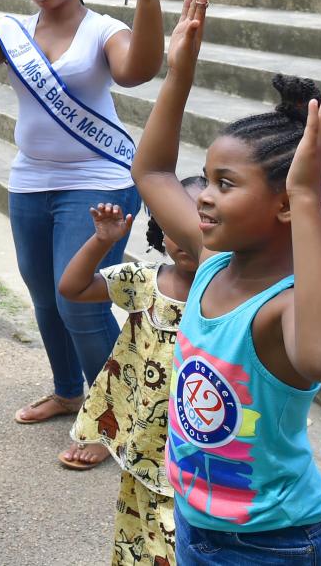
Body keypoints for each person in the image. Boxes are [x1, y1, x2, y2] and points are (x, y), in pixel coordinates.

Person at [133, 0, 321, 564]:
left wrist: (305, 194)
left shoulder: (285, 306)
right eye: (206, 179)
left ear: (284, 206)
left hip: (275, 543)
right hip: (196, 521)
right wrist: (179, 74)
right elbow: (153, 171)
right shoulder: (211, 263)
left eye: (224, 184)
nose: (202, 198)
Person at [0, 0, 164, 470]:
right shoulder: (15, 31)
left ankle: (110, 416)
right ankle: (69, 391)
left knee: (80, 301)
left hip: (99, 183)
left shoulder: (102, 30)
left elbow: (138, 70)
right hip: (31, 182)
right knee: (46, 298)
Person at [58, 181, 203, 565]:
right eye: (175, 226)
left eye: (201, 226)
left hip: (194, 445)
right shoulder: (144, 281)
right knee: (141, 528)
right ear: (158, 228)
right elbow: (72, 287)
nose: (187, 239)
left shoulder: (228, 294)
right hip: (144, 435)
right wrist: (103, 241)